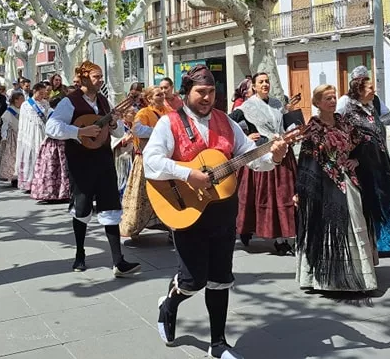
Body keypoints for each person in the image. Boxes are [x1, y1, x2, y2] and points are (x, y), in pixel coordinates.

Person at [144, 65, 288, 359]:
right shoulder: (170, 123)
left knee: (220, 277)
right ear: (187, 93)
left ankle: (218, 343)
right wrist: (187, 174)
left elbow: (250, 157)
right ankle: (169, 305)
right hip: (186, 209)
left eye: (211, 92)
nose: (207, 97)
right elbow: (151, 162)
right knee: (192, 280)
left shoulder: (226, 122)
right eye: (201, 92)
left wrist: (273, 157)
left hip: (223, 209)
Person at [45, 61, 141, 276]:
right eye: (97, 76)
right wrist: (79, 132)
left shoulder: (104, 102)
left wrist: (114, 123)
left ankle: (119, 261)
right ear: (84, 78)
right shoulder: (70, 102)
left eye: (100, 76)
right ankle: (80, 253)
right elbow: (51, 127)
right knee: (82, 207)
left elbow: (116, 135)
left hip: (104, 160)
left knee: (110, 207)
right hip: (81, 162)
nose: (100, 80)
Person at [296, 84, 377, 293]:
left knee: (354, 222)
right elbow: (305, 161)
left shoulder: (344, 123)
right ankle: (326, 278)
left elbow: (364, 143)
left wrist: (356, 161)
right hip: (323, 183)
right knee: (327, 227)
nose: (332, 102)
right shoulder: (312, 128)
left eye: (333, 98)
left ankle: (359, 277)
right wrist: (304, 191)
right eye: (327, 99)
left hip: (347, 179)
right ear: (317, 103)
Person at [340, 67, 390, 255]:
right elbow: (339, 130)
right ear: (358, 87)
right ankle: (376, 242)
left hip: (379, 158)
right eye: (369, 86)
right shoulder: (346, 104)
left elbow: (385, 119)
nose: (374, 90)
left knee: (386, 197)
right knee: (370, 199)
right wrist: (352, 157)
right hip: (361, 163)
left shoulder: (373, 104)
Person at [231, 72, 297, 254]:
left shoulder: (277, 103)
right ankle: (247, 229)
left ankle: (281, 238)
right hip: (260, 154)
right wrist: (245, 136)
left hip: (282, 151)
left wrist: (292, 129)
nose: (265, 84)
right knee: (259, 197)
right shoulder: (247, 106)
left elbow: (285, 123)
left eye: (267, 81)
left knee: (283, 196)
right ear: (253, 86)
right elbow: (229, 123)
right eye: (261, 82)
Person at [120, 86, 170, 239]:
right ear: (149, 99)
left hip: (164, 158)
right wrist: (160, 131)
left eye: (162, 94)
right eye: (158, 95)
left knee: (167, 194)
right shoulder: (143, 113)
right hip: (145, 160)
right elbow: (138, 130)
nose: (162, 97)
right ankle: (133, 227)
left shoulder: (168, 112)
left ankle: (170, 226)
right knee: (141, 195)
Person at [17, 82, 50, 193]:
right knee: (30, 157)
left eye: (44, 93)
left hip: (43, 132)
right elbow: (24, 121)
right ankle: (28, 181)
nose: (42, 96)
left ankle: (40, 182)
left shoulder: (46, 103)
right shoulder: (26, 105)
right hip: (30, 133)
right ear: (34, 91)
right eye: (40, 93)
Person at [0, 91, 25, 183]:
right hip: (12, 138)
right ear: (16, 100)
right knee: (12, 157)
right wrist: (4, 137)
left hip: (23, 136)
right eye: (21, 99)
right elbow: (5, 125)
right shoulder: (9, 111)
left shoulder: (24, 109)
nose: (23, 101)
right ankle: (13, 177)